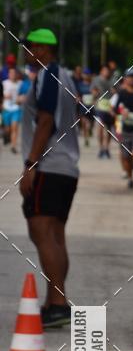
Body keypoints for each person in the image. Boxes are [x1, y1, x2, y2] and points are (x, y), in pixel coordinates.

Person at [20, 28, 79, 329]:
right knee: (55, 235)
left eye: (30, 47)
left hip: (49, 165)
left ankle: (57, 302)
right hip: (68, 167)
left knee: (42, 232)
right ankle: (54, 301)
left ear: (43, 49)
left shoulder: (46, 74)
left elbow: (45, 120)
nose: (28, 52)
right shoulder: (66, 76)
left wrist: (31, 165)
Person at [111, 69, 133, 188]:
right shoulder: (121, 93)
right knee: (126, 156)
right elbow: (115, 110)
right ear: (125, 79)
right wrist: (122, 113)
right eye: (129, 77)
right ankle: (130, 178)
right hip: (125, 128)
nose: (131, 79)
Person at [91, 64, 115, 158]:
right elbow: (92, 90)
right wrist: (94, 93)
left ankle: (106, 148)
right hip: (99, 106)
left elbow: (116, 92)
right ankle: (101, 148)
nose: (106, 73)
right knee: (99, 128)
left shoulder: (112, 81)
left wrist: (114, 92)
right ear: (101, 71)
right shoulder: (96, 80)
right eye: (104, 71)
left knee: (108, 129)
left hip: (110, 107)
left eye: (107, 71)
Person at [2, 66, 22, 152]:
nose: (12, 75)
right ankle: (6, 136)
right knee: (8, 129)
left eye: (14, 73)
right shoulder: (4, 83)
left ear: (16, 74)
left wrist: (21, 98)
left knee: (15, 127)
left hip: (16, 108)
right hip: (6, 108)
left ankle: (13, 146)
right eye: (11, 73)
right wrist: (5, 97)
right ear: (8, 74)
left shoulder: (20, 83)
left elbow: (25, 93)